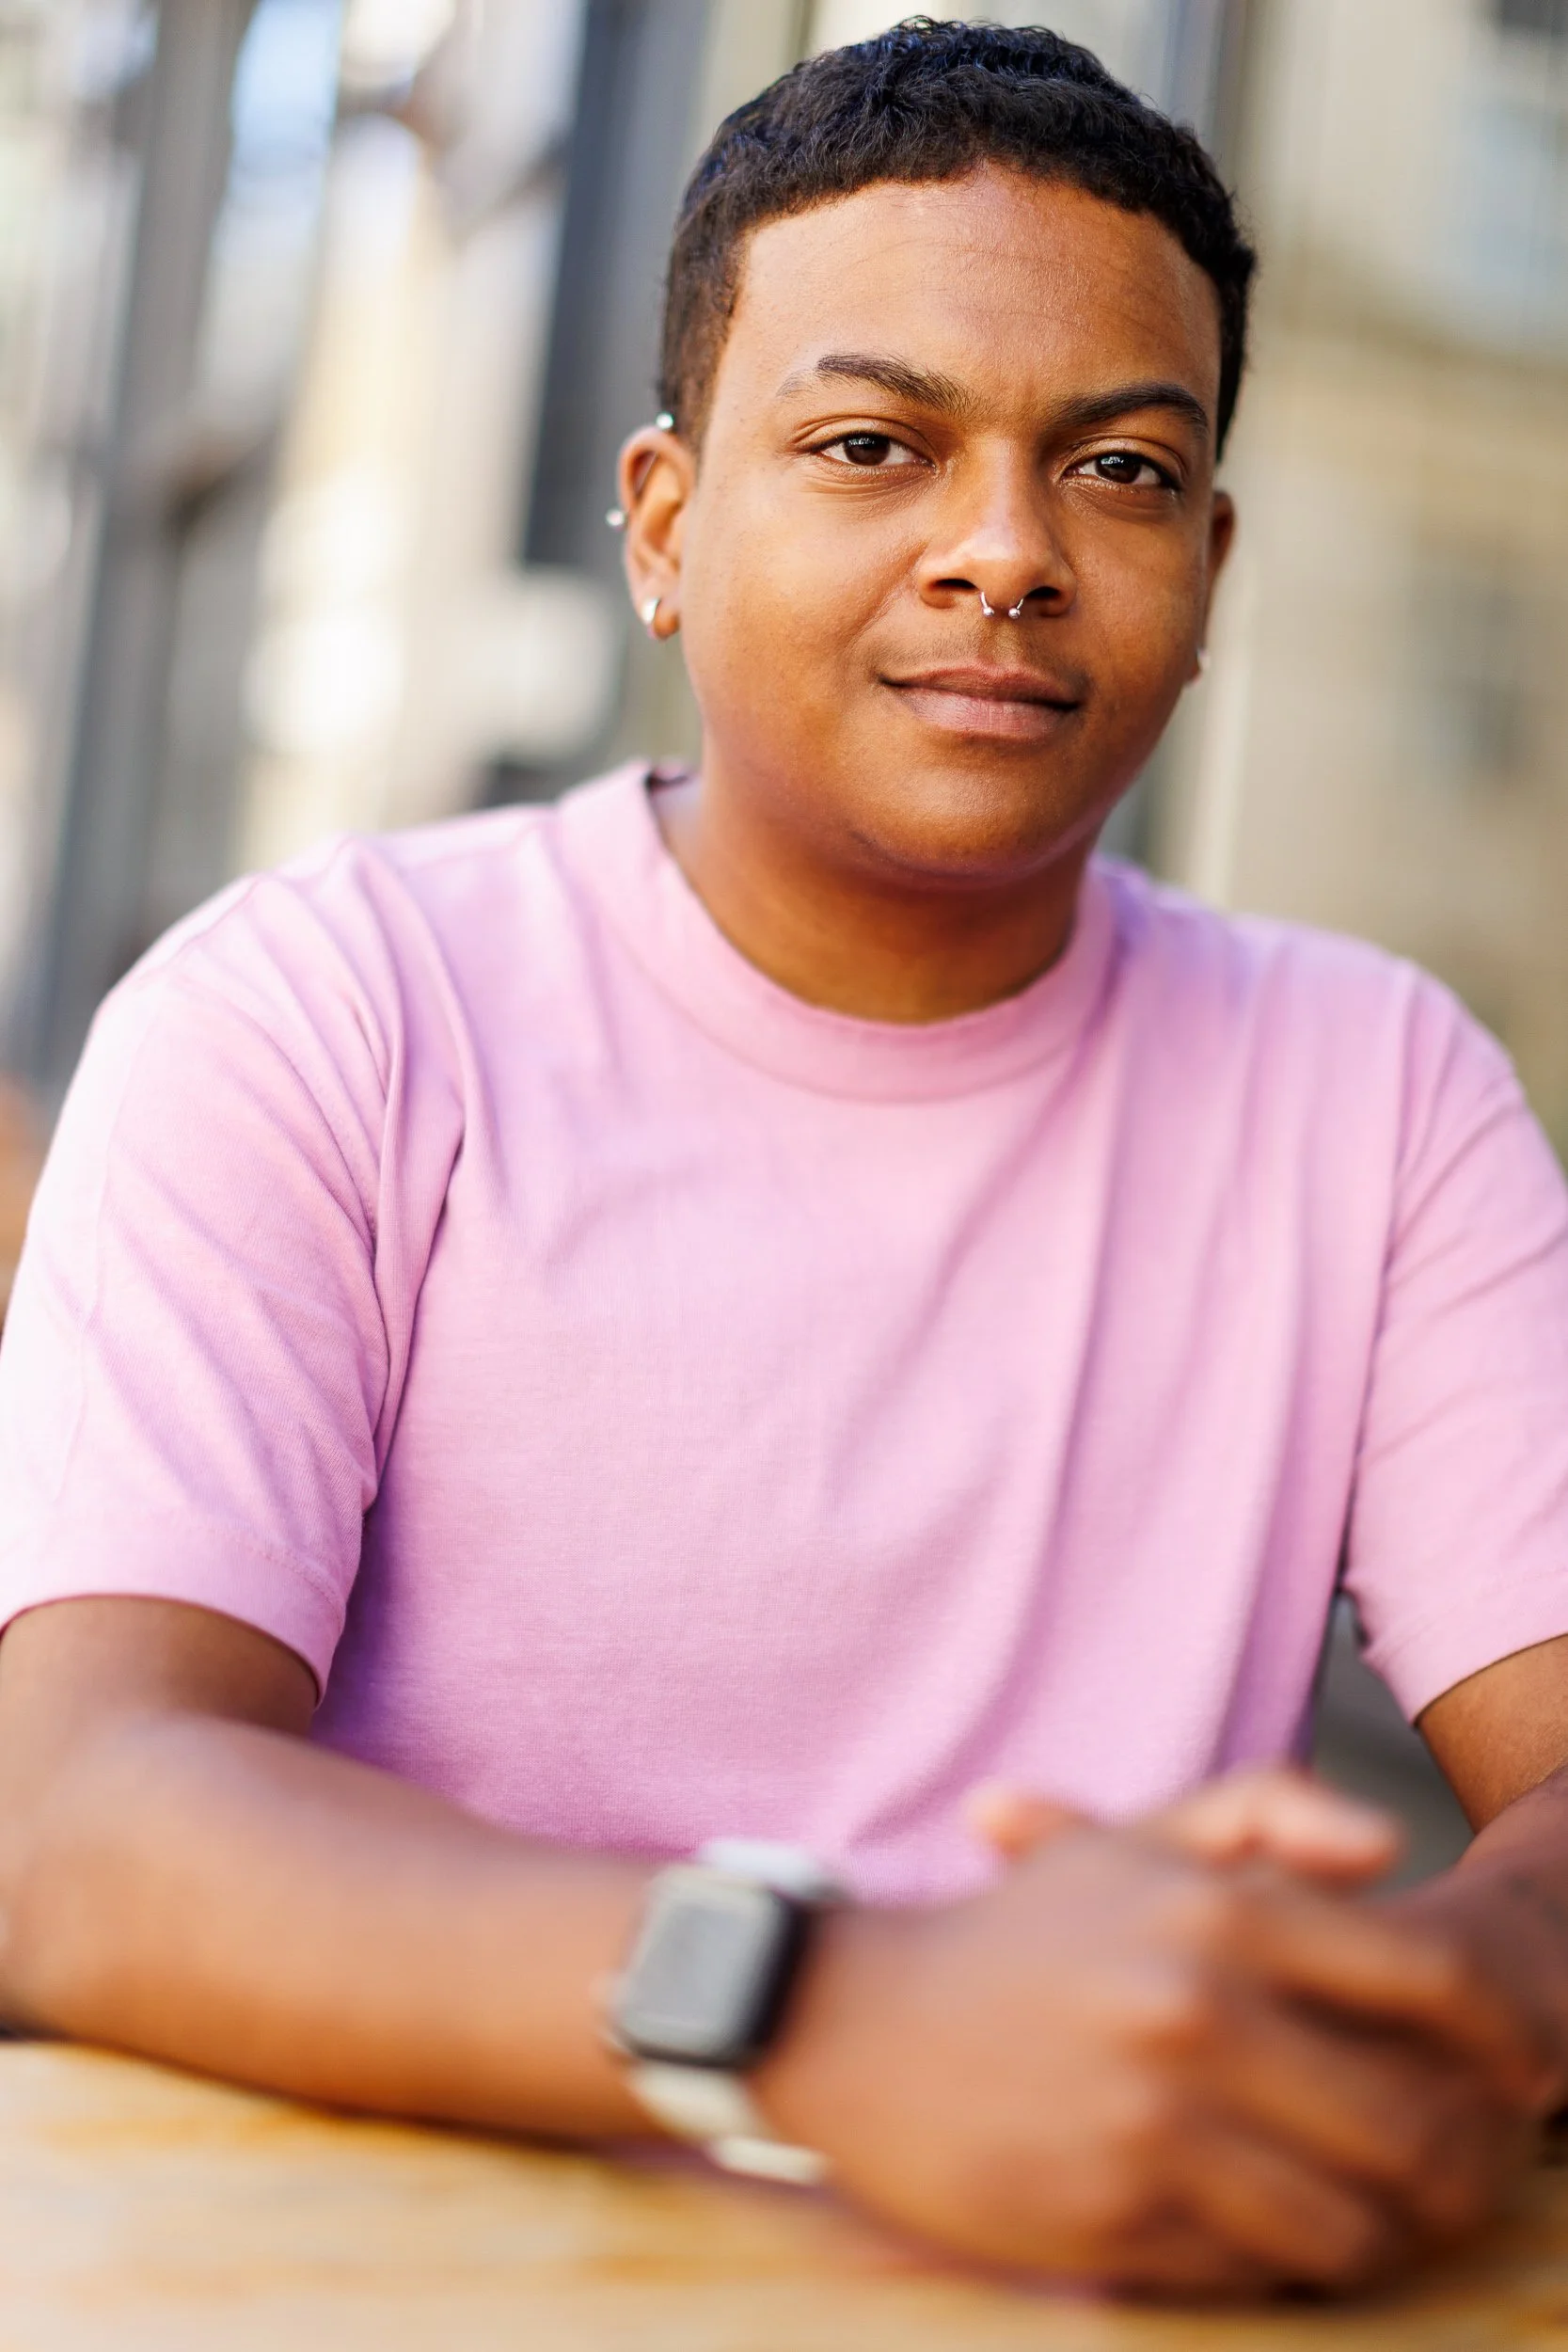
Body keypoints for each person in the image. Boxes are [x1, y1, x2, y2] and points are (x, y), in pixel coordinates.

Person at [1, 17, 1566, 2303]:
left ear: (1207, 569)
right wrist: (827, 2009)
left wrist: (1456, 2008)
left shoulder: (1374, 1084)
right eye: (869, 445)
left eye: (1118, 473)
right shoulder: (323, 1010)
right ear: (661, 520)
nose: (1005, 553)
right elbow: (74, 1822)